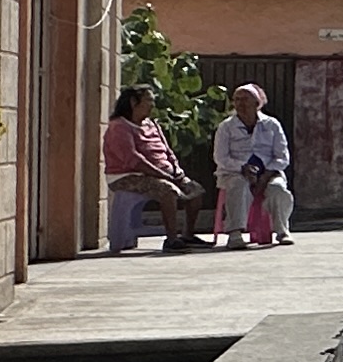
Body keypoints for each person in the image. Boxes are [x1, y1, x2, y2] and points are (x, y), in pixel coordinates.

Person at [102, 86, 209, 250]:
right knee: (168, 190)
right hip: (127, 176)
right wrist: (162, 175)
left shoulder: (152, 124)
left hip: (163, 174)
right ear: (133, 102)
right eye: (148, 100)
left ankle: (187, 235)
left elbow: (167, 151)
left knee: (195, 190)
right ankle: (171, 239)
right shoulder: (119, 127)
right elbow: (134, 160)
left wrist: (177, 172)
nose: (153, 104)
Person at [213, 83, 294, 247]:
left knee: (278, 189)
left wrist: (266, 175)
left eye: (245, 100)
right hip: (234, 171)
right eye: (237, 100)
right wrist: (242, 167)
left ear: (257, 103)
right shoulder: (226, 127)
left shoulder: (272, 125)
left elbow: (282, 156)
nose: (240, 104)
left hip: (269, 172)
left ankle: (282, 231)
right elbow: (221, 157)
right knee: (238, 185)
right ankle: (235, 234)